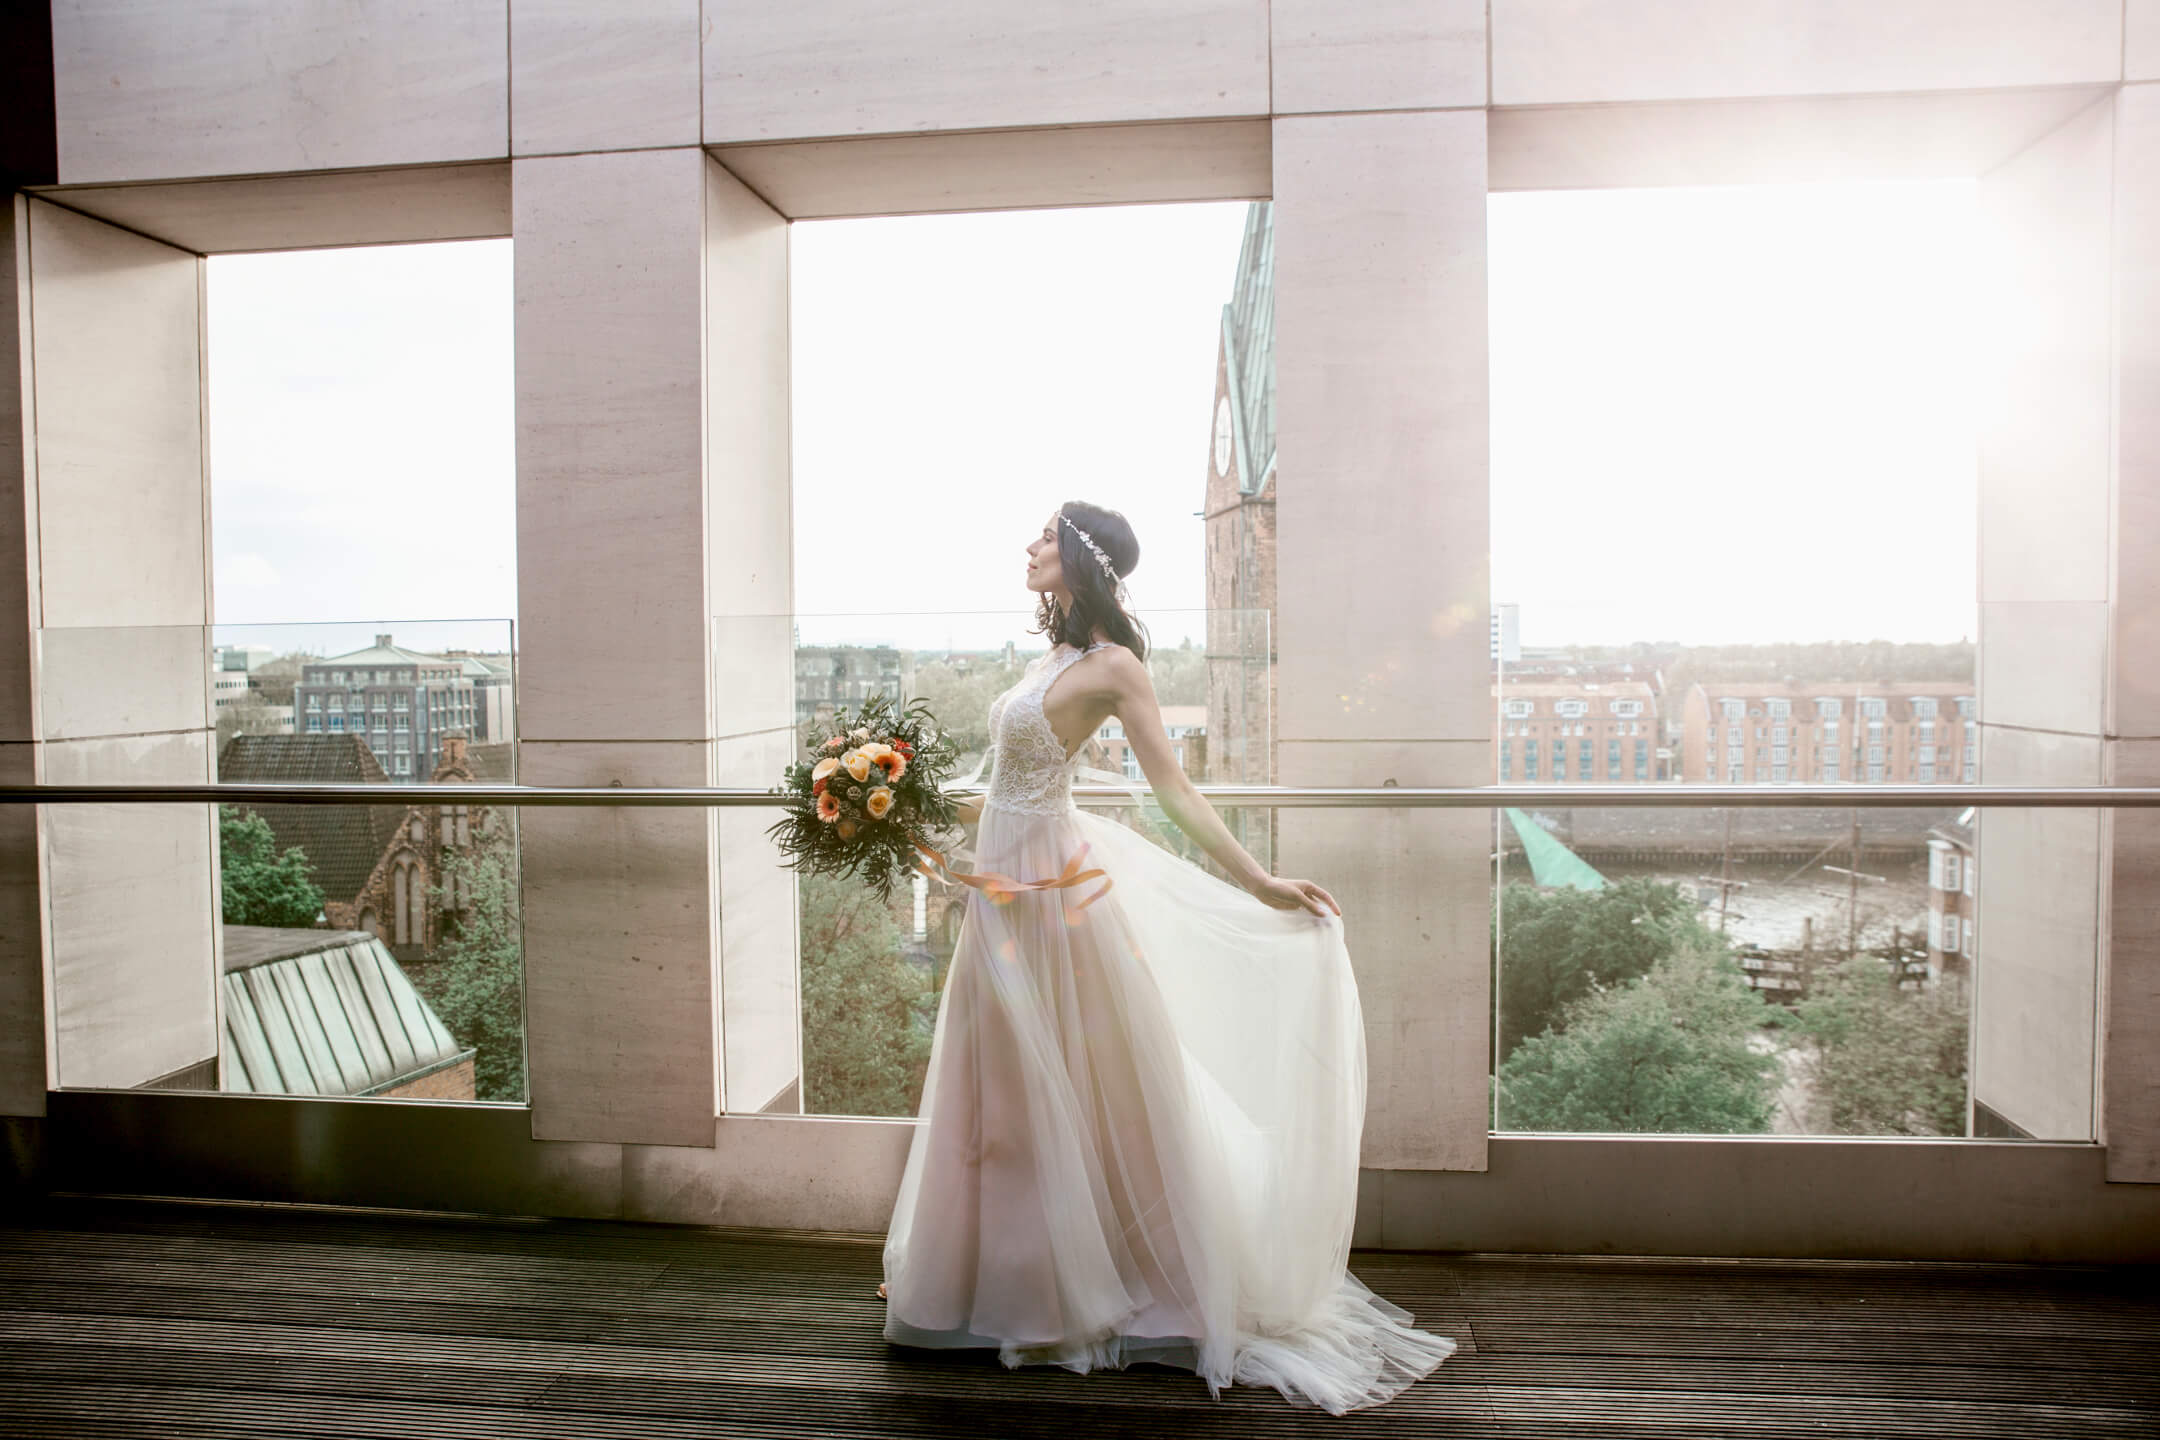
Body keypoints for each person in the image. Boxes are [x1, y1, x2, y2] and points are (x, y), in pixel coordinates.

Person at [876, 500, 1459, 1413]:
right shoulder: (1051, 659)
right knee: (998, 1081)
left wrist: (1263, 882)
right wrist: (896, 794)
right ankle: (990, 1280)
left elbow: (1174, 790)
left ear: (1084, 559)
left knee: (1076, 1081)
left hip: (1053, 899)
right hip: (1003, 888)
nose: (1028, 547)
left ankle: (1077, 1285)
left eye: (1044, 537)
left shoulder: (1117, 668)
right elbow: (1004, 788)